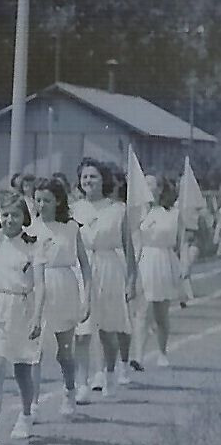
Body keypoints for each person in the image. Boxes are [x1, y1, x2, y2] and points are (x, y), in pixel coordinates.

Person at [0, 192, 46, 445]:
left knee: (22, 370)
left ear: (24, 218)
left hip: (22, 308)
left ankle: (26, 414)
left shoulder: (33, 245)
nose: (9, 220)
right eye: (5, 215)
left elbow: (40, 284)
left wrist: (37, 317)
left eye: (15, 215)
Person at [73, 159, 135, 394]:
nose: (88, 181)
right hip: (81, 268)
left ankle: (109, 372)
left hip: (109, 268)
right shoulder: (74, 208)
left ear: (104, 180)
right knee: (82, 329)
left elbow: (128, 247)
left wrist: (131, 280)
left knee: (108, 329)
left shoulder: (118, 209)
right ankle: (82, 383)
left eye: (93, 176)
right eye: (85, 177)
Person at [30, 176, 91, 415]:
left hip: (64, 288)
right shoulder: (30, 229)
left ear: (58, 201)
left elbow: (85, 265)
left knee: (64, 351)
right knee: (34, 352)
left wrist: (88, 299)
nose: (41, 205)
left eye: (47, 200)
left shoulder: (71, 227)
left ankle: (69, 391)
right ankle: (31, 405)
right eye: (38, 200)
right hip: (37, 289)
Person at [135, 177, 185, 367]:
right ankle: (138, 356)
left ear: (160, 189)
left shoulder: (173, 213)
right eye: (145, 183)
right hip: (146, 261)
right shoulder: (140, 212)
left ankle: (162, 352)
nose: (147, 188)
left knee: (161, 313)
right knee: (142, 311)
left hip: (164, 260)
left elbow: (181, 242)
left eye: (151, 184)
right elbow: (137, 242)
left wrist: (183, 266)